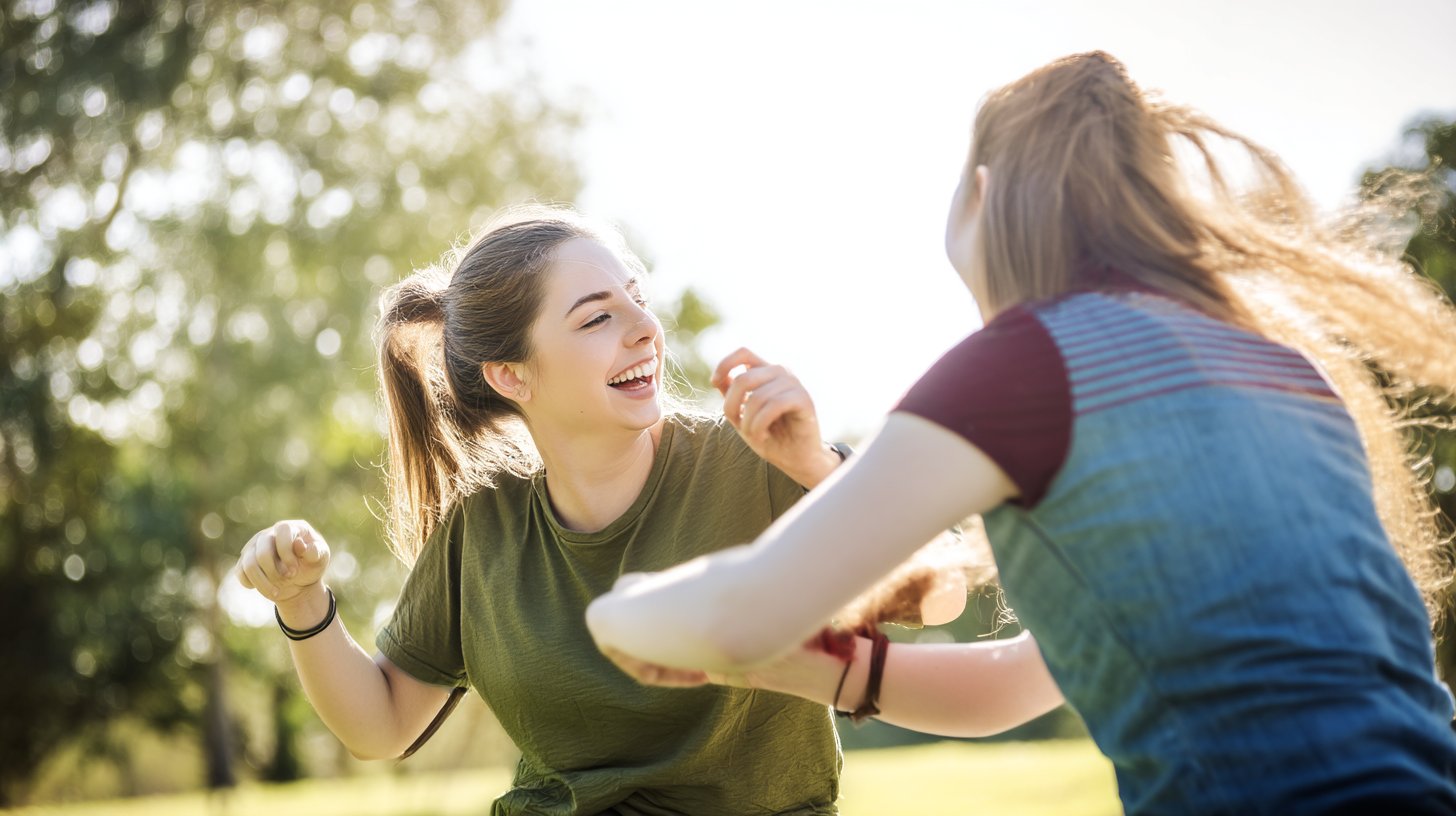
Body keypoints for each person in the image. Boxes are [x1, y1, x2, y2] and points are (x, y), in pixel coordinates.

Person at [586, 52, 1456, 815]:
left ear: (983, 193)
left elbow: (740, 613)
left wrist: (618, 614)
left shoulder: (1027, 360)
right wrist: (804, 668)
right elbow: (1022, 681)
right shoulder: (1275, 369)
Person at [232, 204, 1059, 815]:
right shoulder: (481, 530)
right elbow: (380, 726)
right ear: (513, 377)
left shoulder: (751, 462)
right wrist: (304, 605)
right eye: (598, 316)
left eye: (636, 298)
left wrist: (815, 466)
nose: (645, 329)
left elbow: (940, 597)